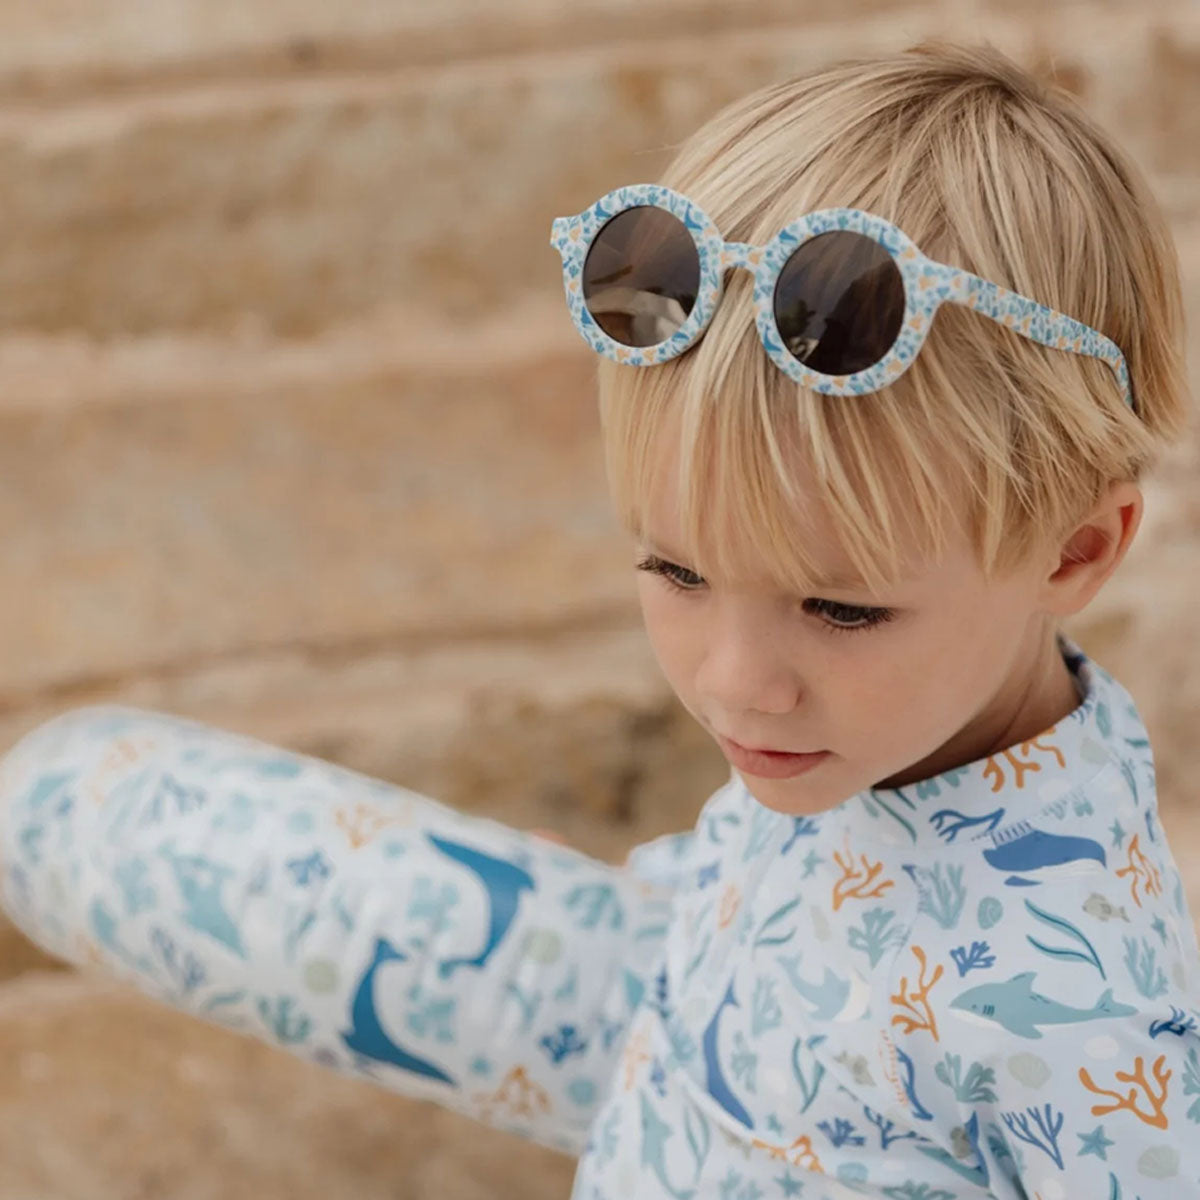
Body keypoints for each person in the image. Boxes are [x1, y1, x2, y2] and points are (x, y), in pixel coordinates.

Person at [1, 37, 1197, 1200]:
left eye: (839, 607)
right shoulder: (869, 741)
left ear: (1077, 550)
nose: (735, 683)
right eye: (676, 573)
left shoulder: (1084, 1014)